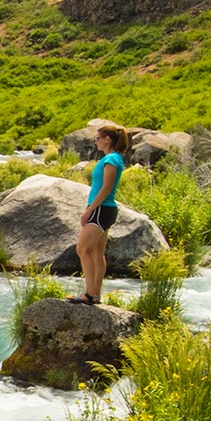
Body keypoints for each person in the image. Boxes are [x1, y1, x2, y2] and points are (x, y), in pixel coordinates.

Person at [67, 125, 127, 305]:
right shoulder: (116, 158)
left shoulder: (110, 160)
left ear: (107, 139)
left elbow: (106, 187)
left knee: (82, 249)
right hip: (106, 209)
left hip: (101, 209)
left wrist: (89, 209)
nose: (96, 141)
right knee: (97, 253)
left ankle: (89, 294)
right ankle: (95, 295)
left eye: (98, 138)